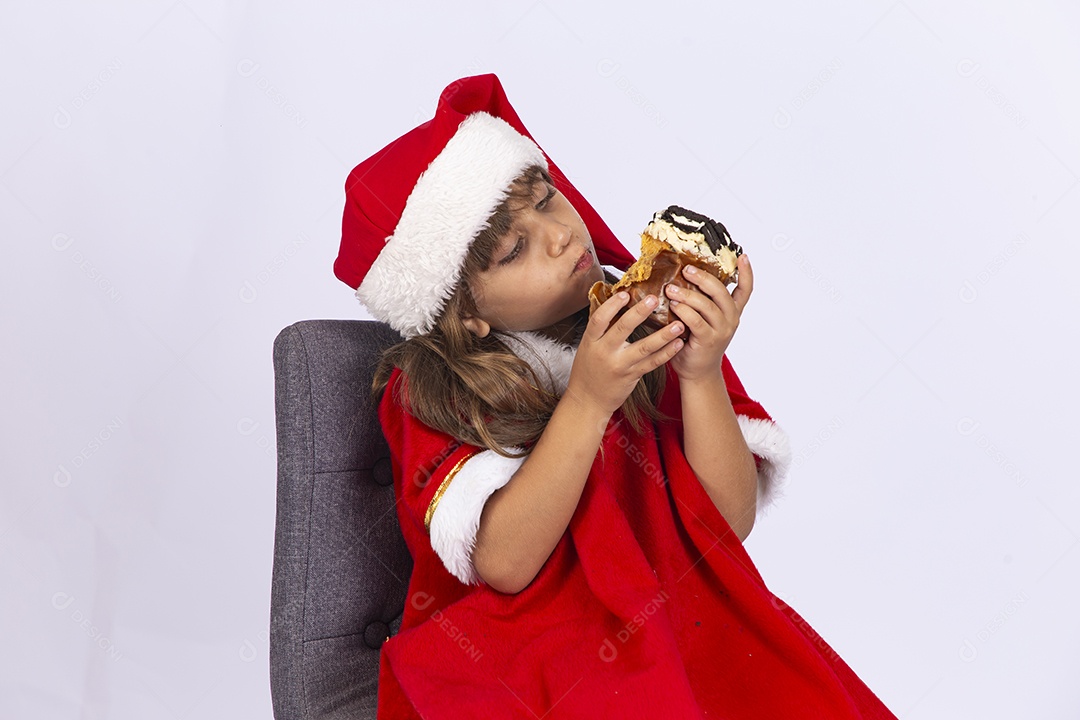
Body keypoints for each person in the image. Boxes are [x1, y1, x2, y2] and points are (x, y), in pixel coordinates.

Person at [334, 74, 895, 719]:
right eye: (515, 250)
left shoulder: (644, 322)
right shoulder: (432, 392)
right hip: (531, 644)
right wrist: (588, 400)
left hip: (681, 612)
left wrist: (702, 371)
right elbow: (506, 563)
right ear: (464, 316)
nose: (559, 234)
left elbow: (727, 526)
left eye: (547, 199)